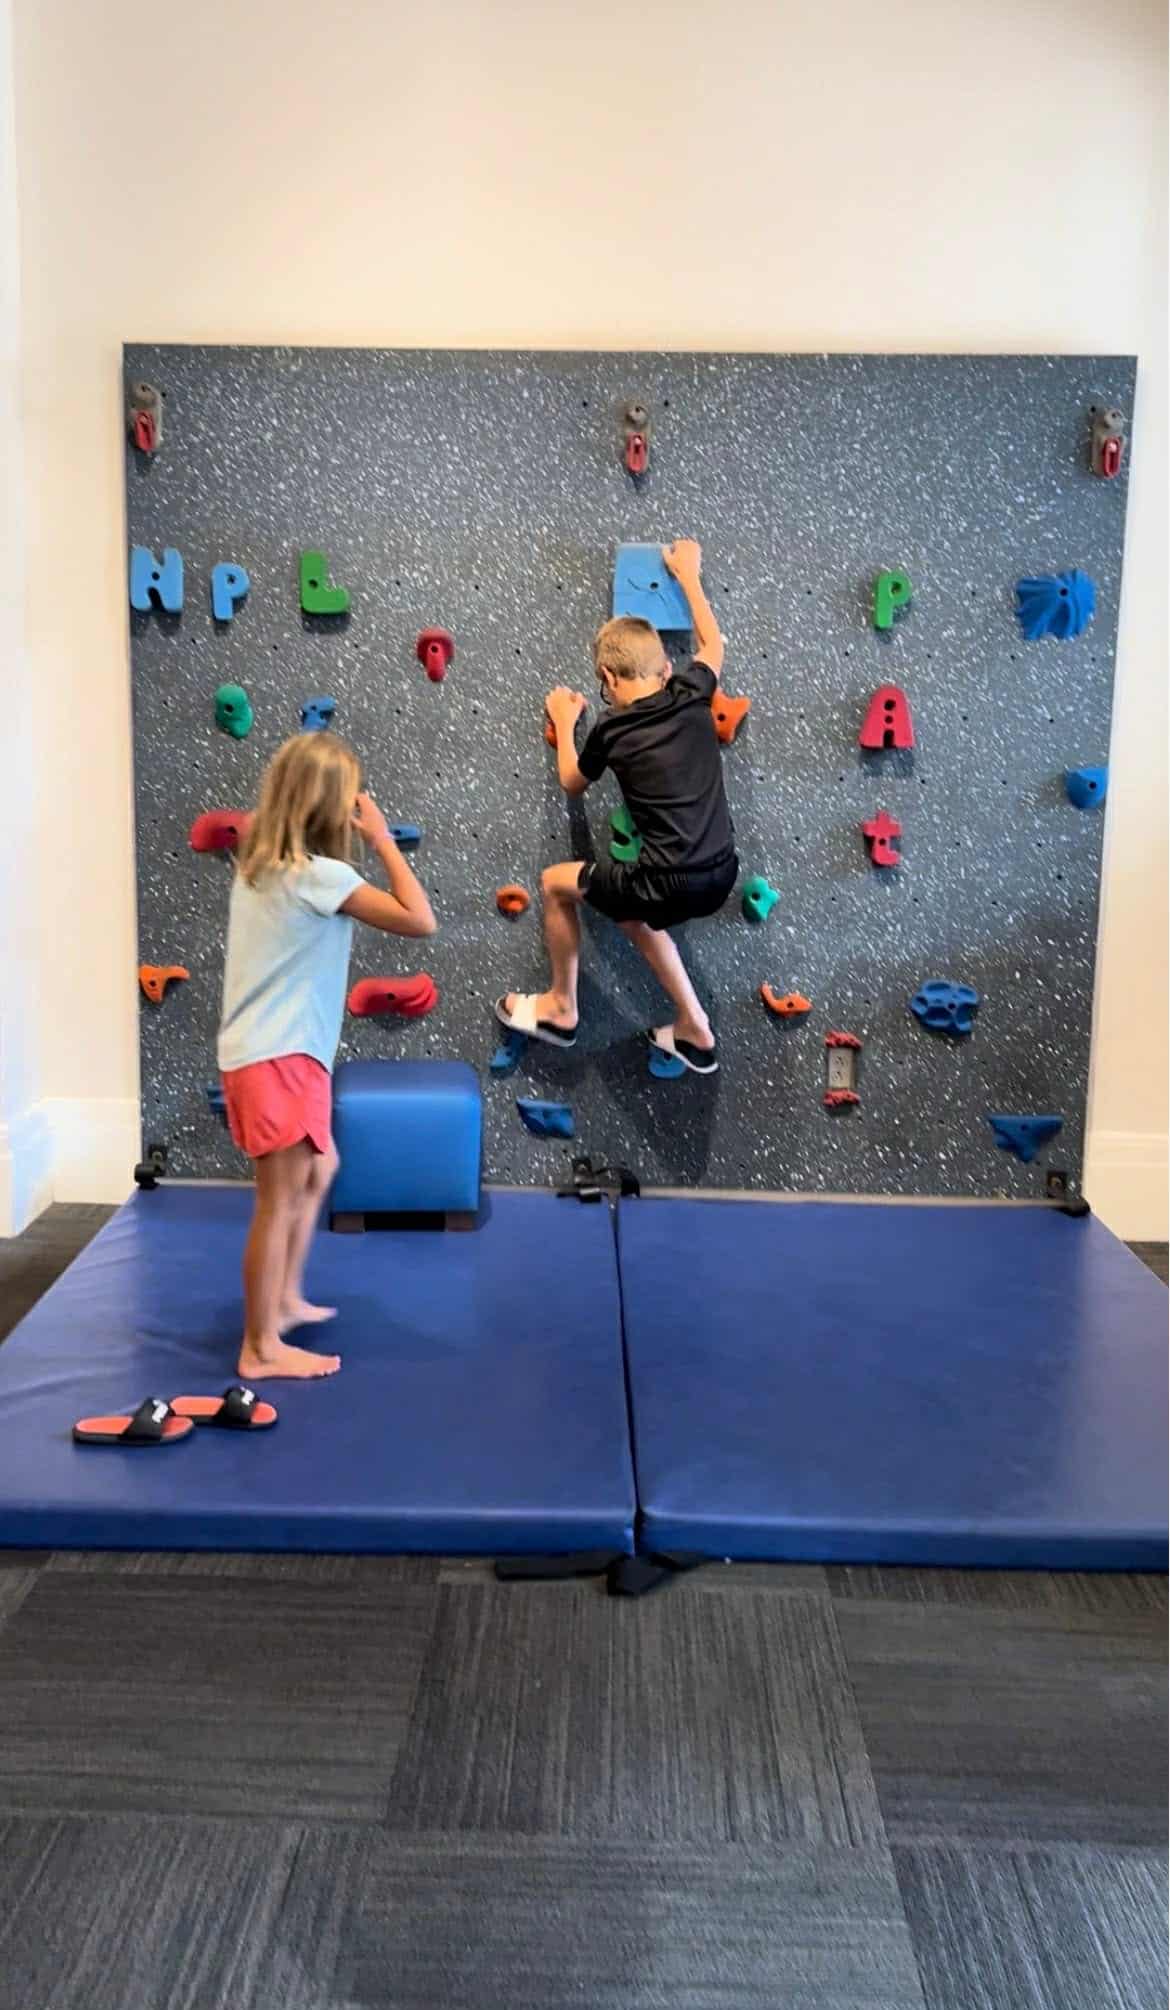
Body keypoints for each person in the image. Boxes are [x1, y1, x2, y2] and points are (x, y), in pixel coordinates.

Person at [218, 733, 435, 1380]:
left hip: (271, 1054)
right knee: (277, 1200)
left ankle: (281, 1300)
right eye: (349, 800)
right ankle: (260, 1347)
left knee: (316, 1170)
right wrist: (382, 840)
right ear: (329, 805)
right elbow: (419, 919)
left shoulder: (258, 868)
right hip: (279, 1056)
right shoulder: (322, 877)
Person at [498, 538, 736, 1073]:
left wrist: (564, 724)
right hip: (721, 873)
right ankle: (694, 1025)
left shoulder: (611, 726)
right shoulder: (691, 691)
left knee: (556, 883)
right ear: (665, 669)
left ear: (607, 679)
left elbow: (571, 781)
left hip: (666, 879)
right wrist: (688, 575)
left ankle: (562, 1007)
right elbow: (713, 643)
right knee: (634, 915)